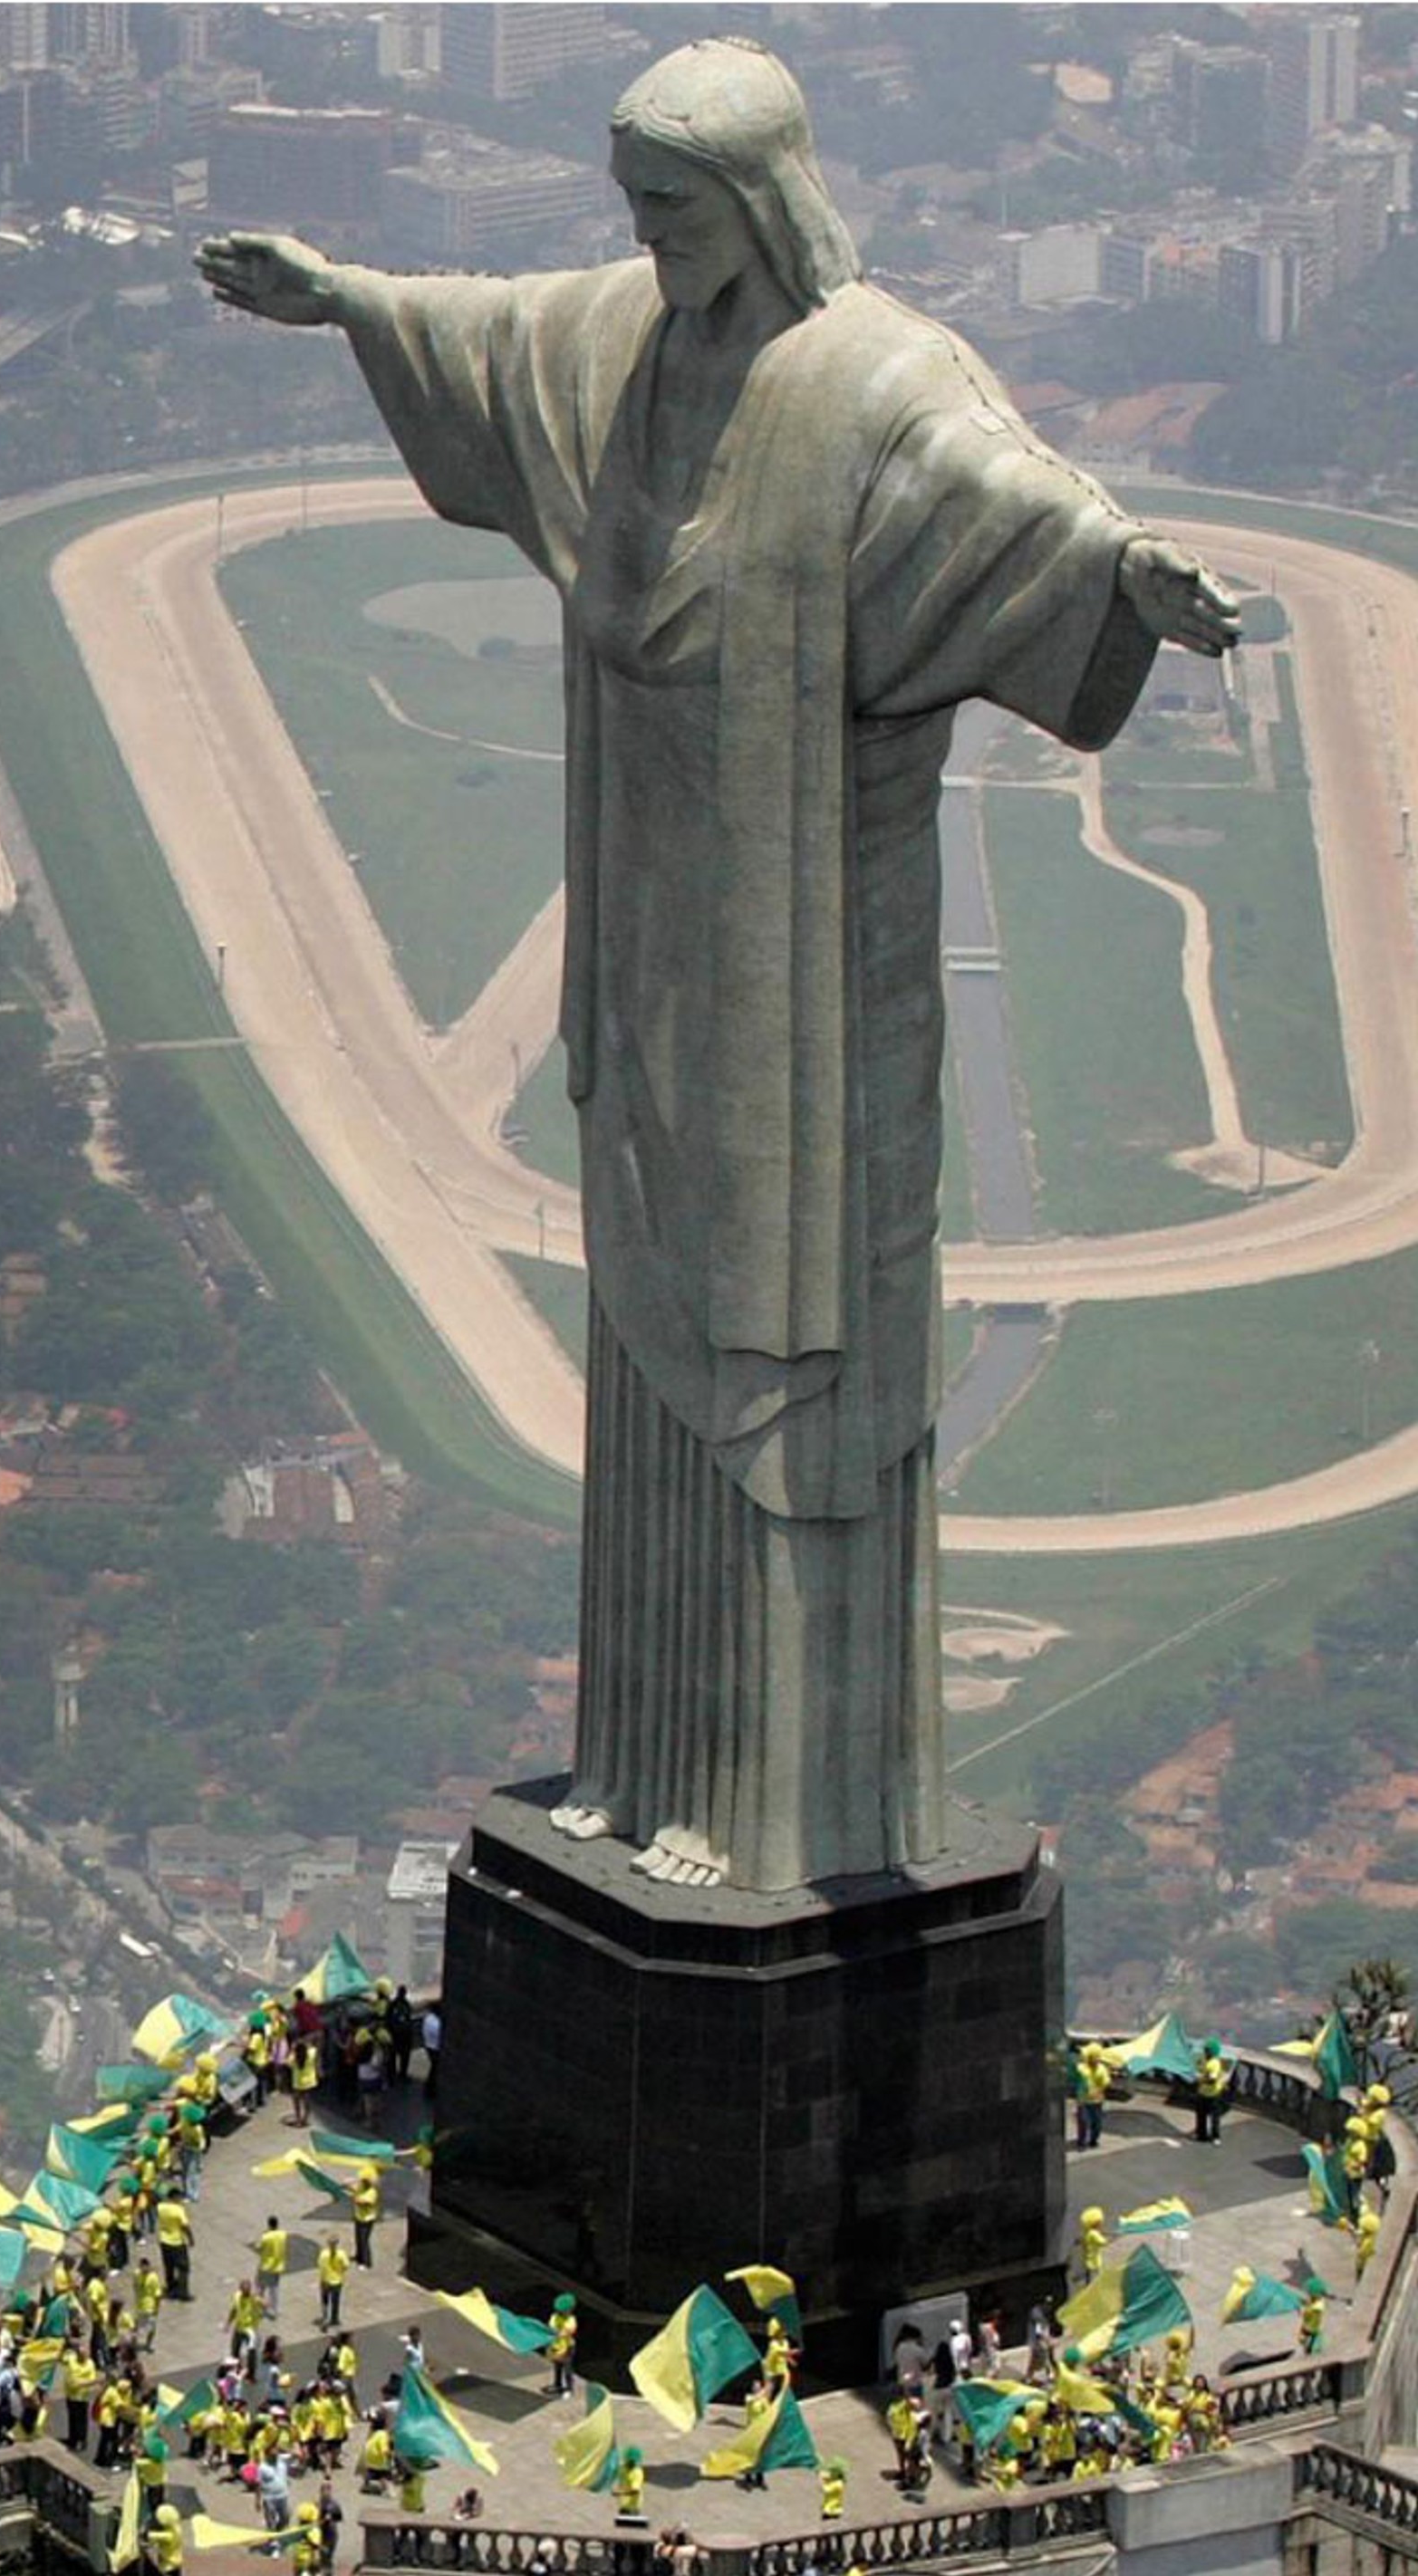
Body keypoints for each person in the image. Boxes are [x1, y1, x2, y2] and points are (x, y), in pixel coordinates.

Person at [196, 34, 1237, 1900]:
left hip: (806, 973)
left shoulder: (867, 382)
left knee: (795, 1344)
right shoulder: (617, 340)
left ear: (760, 198)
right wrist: (339, 296)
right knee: (653, 1346)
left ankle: (784, 1812)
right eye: (636, 208)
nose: (650, 238)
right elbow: (489, 332)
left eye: (677, 208)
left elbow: (1013, 501)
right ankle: (642, 1768)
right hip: (663, 945)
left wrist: (1128, 576)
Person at [1194, 2039, 1228, 2144]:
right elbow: (1199, 2067)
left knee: (1214, 2117)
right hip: (1202, 2093)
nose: (1204, 2051)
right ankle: (1201, 2135)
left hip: (1213, 2094)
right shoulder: (1204, 2060)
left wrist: (1200, 2079)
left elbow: (1212, 2080)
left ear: (1211, 2052)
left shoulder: (1215, 2063)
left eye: (1207, 2050)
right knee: (1201, 2115)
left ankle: (1215, 2137)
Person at [257, 2217, 289, 2319]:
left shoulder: (266, 2237)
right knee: (274, 2289)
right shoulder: (283, 2234)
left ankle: (259, 2308)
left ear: (269, 2225)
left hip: (266, 2266)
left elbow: (259, 2247)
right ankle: (275, 2310)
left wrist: (264, 2234)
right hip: (277, 2266)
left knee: (261, 2288)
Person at [547, 2292, 578, 2398]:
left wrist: (559, 2333)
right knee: (557, 2367)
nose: (560, 2313)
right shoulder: (554, 2317)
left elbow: (567, 2332)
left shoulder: (571, 2320)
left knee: (567, 2368)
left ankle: (569, 2388)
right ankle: (557, 2385)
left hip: (567, 2348)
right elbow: (551, 2328)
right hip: (556, 2346)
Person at [317, 2235, 350, 2331]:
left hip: (325, 2281)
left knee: (325, 2301)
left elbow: (320, 2265)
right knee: (335, 2301)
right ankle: (334, 2319)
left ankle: (325, 2317)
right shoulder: (341, 2254)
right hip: (337, 2280)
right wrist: (340, 2271)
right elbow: (346, 2266)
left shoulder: (323, 2254)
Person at [351, 2167, 380, 2271]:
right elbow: (355, 2188)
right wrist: (349, 2185)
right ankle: (359, 2256)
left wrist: (354, 2195)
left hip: (367, 2220)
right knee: (358, 2238)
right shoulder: (362, 2187)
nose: (361, 2182)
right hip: (359, 2217)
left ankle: (366, 2262)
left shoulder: (372, 2193)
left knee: (364, 2240)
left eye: (363, 2180)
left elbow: (361, 2202)